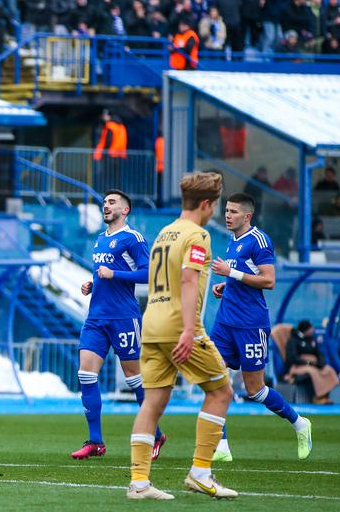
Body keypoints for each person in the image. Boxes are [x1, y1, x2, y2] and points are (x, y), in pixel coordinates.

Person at [126, 172, 237, 500]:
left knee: (152, 403)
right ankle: (201, 472)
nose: (215, 211)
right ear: (205, 204)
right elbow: (189, 280)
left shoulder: (164, 232)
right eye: (215, 205)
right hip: (178, 327)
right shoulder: (197, 235)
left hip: (152, 324)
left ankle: (139, 483)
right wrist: (189, 329)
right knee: (221, 392)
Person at [209, 193, 312, 462]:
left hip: (250, 324)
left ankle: (300, 423)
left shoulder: (259, 241)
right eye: (226, 210)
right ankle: (221, 445)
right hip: (225, 322)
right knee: (212, 376)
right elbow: (244, 277)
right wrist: (227, 286)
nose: (227, 215)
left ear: (247, 216)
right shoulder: (233, 241)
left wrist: (229, 274)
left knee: (255, 389)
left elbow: (268, 281)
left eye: (233, 212)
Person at [73, 190, 165, 461]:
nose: (106, 206)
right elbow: (105, 273)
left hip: (124, 317)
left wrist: (114, 274)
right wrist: (93, 284)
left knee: (134, 379)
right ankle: (95, 442)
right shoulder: (101, 239)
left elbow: (149, 273)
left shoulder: (133, 238)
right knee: (86, 376)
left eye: (111, 202)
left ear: (125, 210)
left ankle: (156, 434)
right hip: (96, 317)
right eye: (104, 203)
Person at [284, 320, 339, 404]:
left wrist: (321, 363)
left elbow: (319, 353)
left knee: (328, 370)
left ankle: (325, 397)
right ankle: (316, 397)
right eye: (311, 328)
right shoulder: (293, 340)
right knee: (312, 373)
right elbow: (292, 357)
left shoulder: (312, 339)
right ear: (305, 330)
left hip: (313, 364)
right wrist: (307, 362)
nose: (313, 330)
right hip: (298, 366)